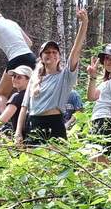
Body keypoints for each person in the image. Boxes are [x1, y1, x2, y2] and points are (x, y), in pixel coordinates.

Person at [15, 8, 88, 145]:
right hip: (34, 125)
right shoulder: (34, 79)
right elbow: (24, 107)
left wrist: (83, 24)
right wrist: (18, 133)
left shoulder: (65, 77)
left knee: (58, 158)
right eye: (47, 52)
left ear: (59, 57)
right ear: (41, 57)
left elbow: (76, 51)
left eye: (55, 52)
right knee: (33, 159)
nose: (51, 54)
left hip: (55, 124)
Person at [0, 66, 32, 133]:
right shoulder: (33, 96)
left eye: (19, 77)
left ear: (28, 80)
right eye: (14, 76)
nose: (15, 79)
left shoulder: (17, 96)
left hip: (20, 136)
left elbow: (2, 120)